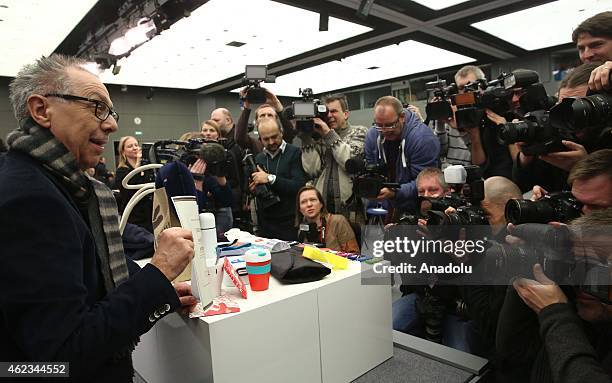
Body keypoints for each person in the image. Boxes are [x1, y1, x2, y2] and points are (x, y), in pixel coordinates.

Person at [0, 53, 195, 381]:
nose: (112, 124)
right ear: (41, 110)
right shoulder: (30, 199)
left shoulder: (61, 185)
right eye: (97, 107)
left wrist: (160, 290)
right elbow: (62, 358)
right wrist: (158, 274)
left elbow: (91, 276)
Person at [496, 208, 612, 383]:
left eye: (596, 269)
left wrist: (555, 313)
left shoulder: (563, 318)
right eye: (576, 264)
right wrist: (530, 267)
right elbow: (513, 353)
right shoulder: (578, 307)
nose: (581, 281)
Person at [364, 95, 439, 218]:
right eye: (379, 125)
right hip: (385, 207)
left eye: (389, 125)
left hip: (417, 206)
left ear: (402, 117)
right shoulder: (373, 135)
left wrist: (395, 192)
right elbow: (372, 169)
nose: (384, 131)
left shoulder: (423, 139)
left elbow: (425, 183)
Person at [300, 94, 368, 220]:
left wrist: (328, 134)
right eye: (326, 112)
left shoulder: (359, 132)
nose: (329, 115)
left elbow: (349, 162)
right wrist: (306, 138)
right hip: (322, 211)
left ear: (346, 114)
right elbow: (312, 170)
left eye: (334, 111)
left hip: (350, 211)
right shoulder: (318, 138)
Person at [250, 118, 306, 240]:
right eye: (266, 139)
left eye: (274, 137)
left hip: (290, 222)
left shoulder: (295, 153)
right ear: (260, 139)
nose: (271, 142)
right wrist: (255, 189)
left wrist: (270, 178)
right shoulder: (259, 158)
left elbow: (298, 186)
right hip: (266, 222)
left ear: (281, 132)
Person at [295, 185, 359, 253]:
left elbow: (354, 254)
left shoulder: (338, 221)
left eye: (313, 200)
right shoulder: (302, 228)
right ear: (300, 209)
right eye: (303, 202)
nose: (309, 204)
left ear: (321, 204)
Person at [235, 87, 296, 155]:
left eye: (270, 115)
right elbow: (240, 138)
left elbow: (290, 131)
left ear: (276, 120)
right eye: (262, 115)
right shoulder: (254, 144)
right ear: (256, 122)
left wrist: (277, 103)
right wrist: (246, 107)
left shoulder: (282, 140)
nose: (266, 118)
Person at [115, 135, 155, 233]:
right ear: (123, 152)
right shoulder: (121, 171)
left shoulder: (147, 168)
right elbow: (128, 190)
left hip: (149, 215)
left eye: (136, 145)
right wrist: (138, 165)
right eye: (130, 146)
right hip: (134, 217)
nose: (134, 148)